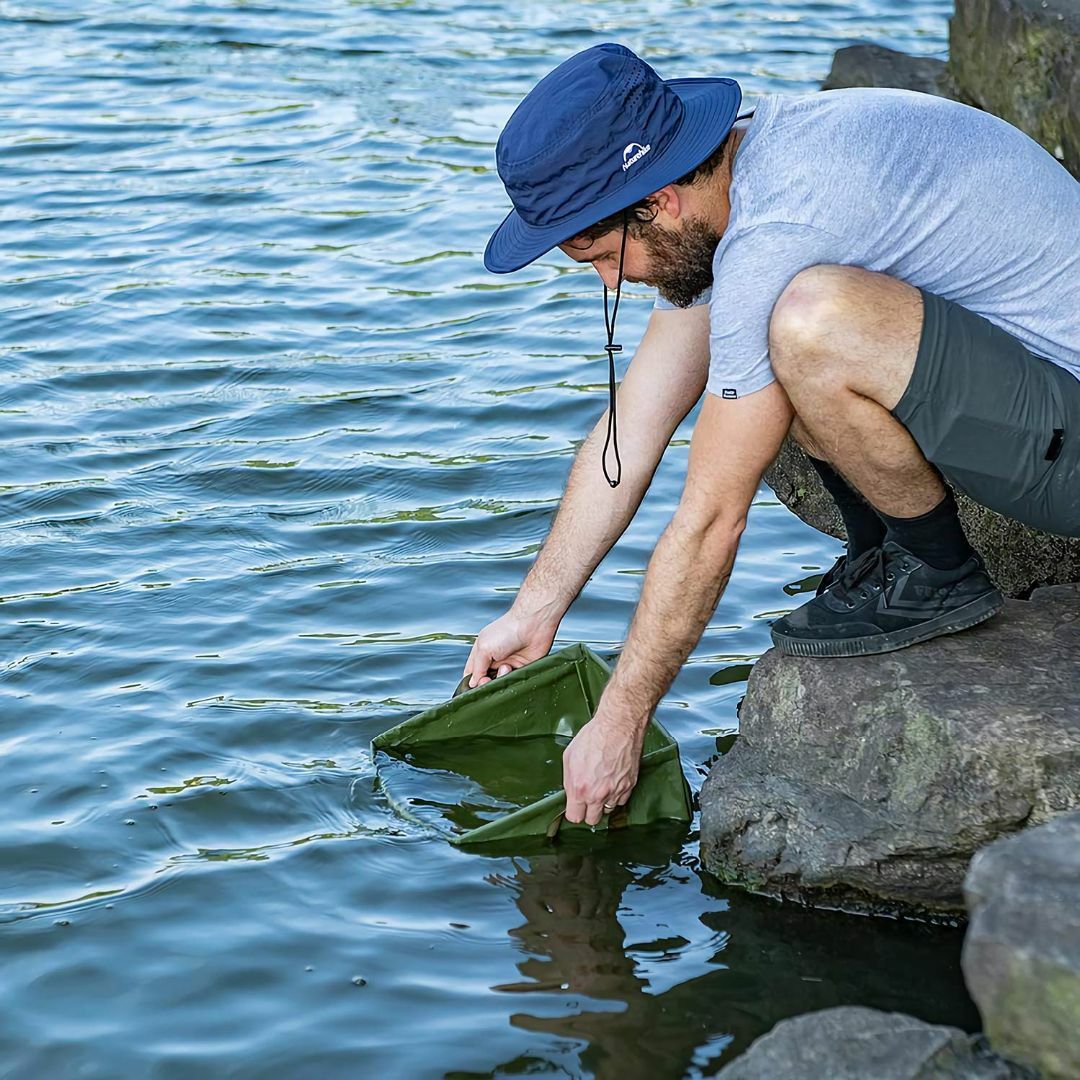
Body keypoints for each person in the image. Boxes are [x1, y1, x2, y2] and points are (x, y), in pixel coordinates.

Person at [462, 43, 1080, 826]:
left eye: (598, 253)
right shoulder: (737, 174)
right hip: (1043, 397)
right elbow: (632, 426)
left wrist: (620, 722)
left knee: (809, 324)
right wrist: (535, 610)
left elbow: (713, 517)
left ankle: (935, 575)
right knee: (759, 347)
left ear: (660, 202)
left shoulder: (777, 229)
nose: (611, 283)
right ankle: (884, 556)